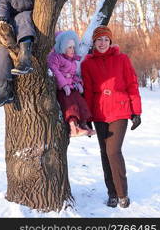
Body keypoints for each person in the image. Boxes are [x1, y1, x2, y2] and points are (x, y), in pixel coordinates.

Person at [81, 25, 142, 208]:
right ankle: (112, 193)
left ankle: (122, 193)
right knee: (104, 153)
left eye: (106, 39)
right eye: (99, 39)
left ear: (110, 41)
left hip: (120, 111)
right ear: (94, 42)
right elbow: (89, 92)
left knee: (113, 152)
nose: (102, 43)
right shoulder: (87, 63)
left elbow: (132, 84)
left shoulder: (122, 59)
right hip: (99, 114)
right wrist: (87, 116)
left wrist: (136, 111)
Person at [47, 30, 96, 137]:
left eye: (74, 47)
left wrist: (78, 83)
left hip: (71, 88)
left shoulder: (72, 60)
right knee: (70, 105)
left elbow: (73, 75)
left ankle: (84, 125)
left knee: (80, 102)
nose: (72, 50)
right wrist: (64, 85)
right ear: (62, 46)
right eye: (69, 47)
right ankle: (73, 128)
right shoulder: (55, 57)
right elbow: (55, 71)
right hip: (62, 90)